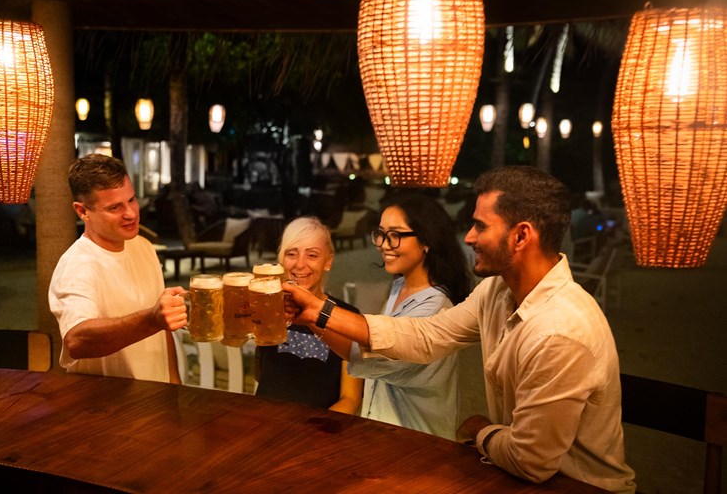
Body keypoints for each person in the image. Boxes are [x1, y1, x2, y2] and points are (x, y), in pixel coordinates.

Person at [283, 166, 635, 493]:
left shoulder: (559, 331)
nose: (468, 237)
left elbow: (531, 462)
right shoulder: (497, 291)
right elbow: (427, 336)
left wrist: (479, 429)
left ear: (521, 235)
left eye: (481, 226)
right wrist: (319, 312)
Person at [49, 154, 187, 383]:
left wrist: (174, 386)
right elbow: (76, 341)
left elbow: (162, 331)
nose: (131, 214)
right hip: (108, 408)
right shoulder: (77, 265)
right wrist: (150, 319)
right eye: (114, 207)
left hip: (156, 400)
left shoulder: (143, 247)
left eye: (131, 200)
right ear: (82, 211)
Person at [347, 192, 470, 439]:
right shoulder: (399, 286)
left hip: (416, 444)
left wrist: (318, 314)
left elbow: (375, 360)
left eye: (395, 235)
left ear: (427, 241)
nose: (383, 244)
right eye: (381, 234)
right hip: (384, 435)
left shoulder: (434, 307)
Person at [254, 216, 363, 414]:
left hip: (318, 431)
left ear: (327, 261)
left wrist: (314, 431)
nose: (300, 264)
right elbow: (261, 377)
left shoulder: (347, 316)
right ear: (281, 260)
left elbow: (350, 399)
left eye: (312, 255)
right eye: (291, 254)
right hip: (265, 422)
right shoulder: (268, 307)